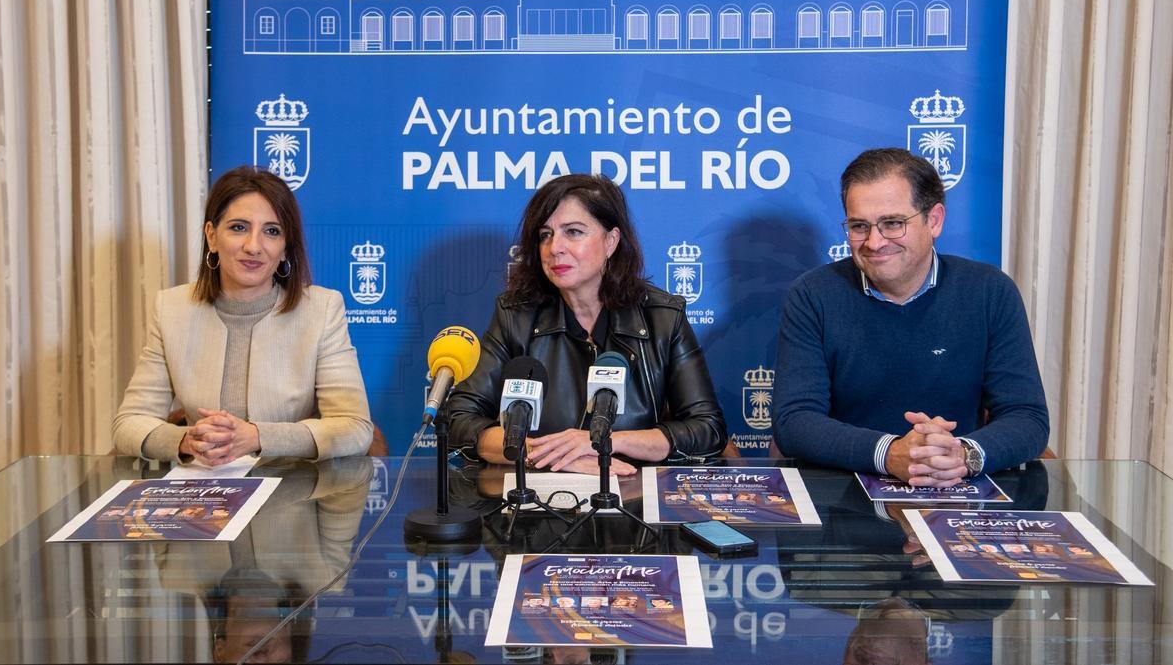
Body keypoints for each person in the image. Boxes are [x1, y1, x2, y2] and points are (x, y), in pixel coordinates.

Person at [771, 148, 1049, 486]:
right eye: (860, 226)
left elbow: (1028, 417)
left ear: (934, 220)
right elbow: (795, 421)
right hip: (846, 500)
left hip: (958, 492)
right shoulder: (813, 294)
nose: (874, 242)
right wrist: (890, 454)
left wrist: (962, 455)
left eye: (892, 223)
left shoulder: (991, 291)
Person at [447, 174, 727, 474]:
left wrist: (605, 443)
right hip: (537, 504)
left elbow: (707, 429)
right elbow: (458, 421)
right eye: (545, 234)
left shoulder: (662, 317)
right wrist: (552, 454)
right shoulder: (515, 316)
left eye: (573, 232)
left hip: (632, 499)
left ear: (611, 241)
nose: (555, 248)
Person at [112, 166, 375, 463]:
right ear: (212, 237)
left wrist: (255, 437)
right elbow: (129, 423)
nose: (253, 246)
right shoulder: (172, 309)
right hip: (203, 493)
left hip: (292, 494)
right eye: (239, 228)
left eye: (271, 231)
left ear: (285, 247)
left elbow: (354, 427)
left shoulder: (322, 309)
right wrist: (186, 440)